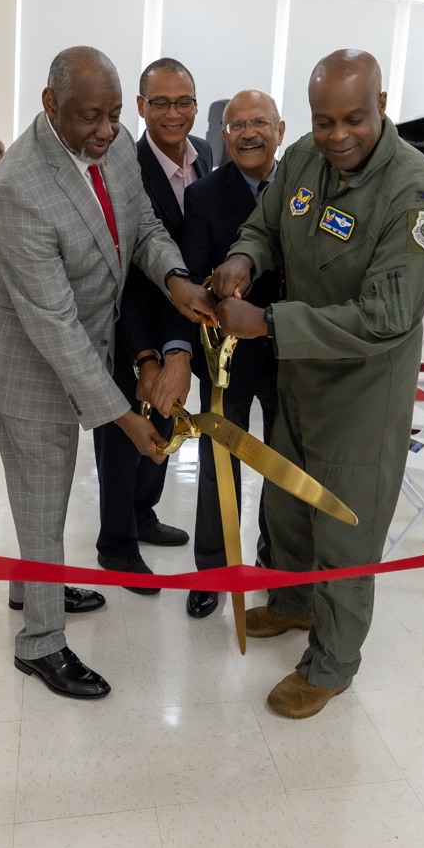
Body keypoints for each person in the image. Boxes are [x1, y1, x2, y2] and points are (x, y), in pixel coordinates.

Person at [0, 45, 217, 700]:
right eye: (89, 119)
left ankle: (30, 584)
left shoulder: (116, 140)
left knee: (41, 489)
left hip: (75, 339)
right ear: (50, 106)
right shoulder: (18, 188)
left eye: (112, 116)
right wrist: (125, 418)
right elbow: (52, 325)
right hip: (24, 359)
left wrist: (175, 278)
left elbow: (143, 223)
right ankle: (40, 643)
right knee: (44, 490)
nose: (106, 131)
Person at [211, 50, 424, 719]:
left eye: (354, 118)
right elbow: (266, 226)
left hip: (361, 395)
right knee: (288, 508)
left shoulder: (417, 197)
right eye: (325, 120)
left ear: (382, 105)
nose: (338, 135)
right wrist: (243, 256)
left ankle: (333, 664)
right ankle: (293, 602)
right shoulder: (301, 159)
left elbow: (388, 317)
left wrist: (264, 321)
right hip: (300, 379)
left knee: (344, 533)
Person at [92, 58, 214, 593]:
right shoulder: (123, 166)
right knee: (123, 436)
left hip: (182, 320)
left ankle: (143, 515)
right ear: (139, 108)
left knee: (166, 426)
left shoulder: (205, 154)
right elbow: (127, 275)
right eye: (160, 102)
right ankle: (115, 545)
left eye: (183, 101)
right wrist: (146, 354)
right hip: (129, 319)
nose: (173, 113)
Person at [180, 89, 286, 619]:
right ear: (223, 134)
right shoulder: (202, 196)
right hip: (226, 357)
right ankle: (213, 572)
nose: (248, 132)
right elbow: (198, 274)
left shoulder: (304, 190)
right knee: (219, 465)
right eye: (237, 124)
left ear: (280, 130)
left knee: (284, 463)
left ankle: (274, 564)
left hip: (292, 353)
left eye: (260, 122)